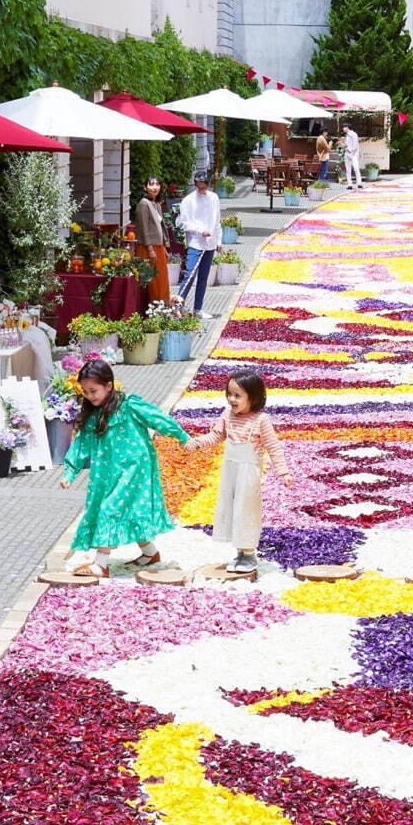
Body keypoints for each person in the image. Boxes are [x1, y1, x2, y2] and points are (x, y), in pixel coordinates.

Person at [61, 358, 189, 578]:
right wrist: (69, 471)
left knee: (110, 509)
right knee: (128, 510)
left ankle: (101, 564)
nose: (90, 397)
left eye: (93, 391)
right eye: (86, 392)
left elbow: (156, 418)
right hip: (107, 473)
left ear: (108, 385)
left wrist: (181, 436)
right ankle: (150, 553)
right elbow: (81, 443)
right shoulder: (93, 414)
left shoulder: (129, 405)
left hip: (134, 469)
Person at [185, 368, 294, 574]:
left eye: (237, 395)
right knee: (232, 509)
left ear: (252, 397)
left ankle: (249, 553)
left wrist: (283, 472)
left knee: (246, 511)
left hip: (248, 475)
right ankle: (240, 552)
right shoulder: (227, 415)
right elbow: (216, 435)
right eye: (229, 394)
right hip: (230, 472)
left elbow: (273, 447)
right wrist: (197, 443)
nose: (232, 399)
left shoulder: (261, 420)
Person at [177, 171, 222, 320]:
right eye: (199, 187)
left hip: (210, 243)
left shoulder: (214, 198)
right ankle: (178, 305)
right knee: (190, 274)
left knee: (203, 277)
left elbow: (217, 221)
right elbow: (184, 223)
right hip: (196, 242)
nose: (201, 190)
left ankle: (198, 308)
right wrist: (200, 231)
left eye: (204, 187)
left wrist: (219, 241)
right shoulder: (188, 200)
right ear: (195, 185)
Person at [134, 176, 170, 304]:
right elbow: (143, 228)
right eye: (151, 184)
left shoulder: (156, 204)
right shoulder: (143, 204)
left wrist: (164, 247)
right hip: (147, 248)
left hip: (158, 247)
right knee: (152, 282)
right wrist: (150, 249)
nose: (154, 187)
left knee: (162, 280)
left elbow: (160, 227)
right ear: (145, 187)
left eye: (157, 184)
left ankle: (162, 307)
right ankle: (152, 309)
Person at [342, 122, 363, 190]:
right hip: (347, 153)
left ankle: (359, 183)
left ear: (347, 127)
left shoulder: (354, 134)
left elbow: (355, 145)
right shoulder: (347, 135)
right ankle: (349, 184)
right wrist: (342, 145)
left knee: (356, 168)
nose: (343, 128)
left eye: (344, 127)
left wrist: (352, 152)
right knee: (348, 170)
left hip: (353, 154)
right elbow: (346, 145)